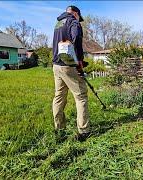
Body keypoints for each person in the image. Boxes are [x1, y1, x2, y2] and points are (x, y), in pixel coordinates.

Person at [52, 5, 90, 142]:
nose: (79, 21)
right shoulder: (73, 21)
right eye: (79, 18)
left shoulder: (58, 23)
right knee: (81, 96)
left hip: (56, 65)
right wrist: (79, 60)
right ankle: (83, 131)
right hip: (68, 65)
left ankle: (59, 128)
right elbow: (77, 38)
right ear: (75, 13)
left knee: (59, 96)